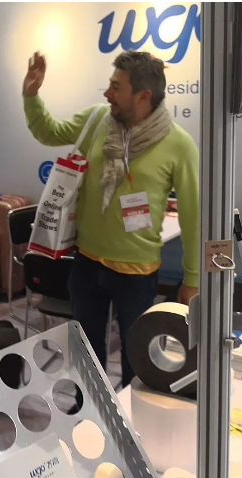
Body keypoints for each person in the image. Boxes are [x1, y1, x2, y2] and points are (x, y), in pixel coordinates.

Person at [22, 50, 199, 388]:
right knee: (85, 354)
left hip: (137, 273)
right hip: (86, 263)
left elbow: (192, 216)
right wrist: (31, 96)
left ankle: (132, 415)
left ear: (143, 95)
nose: (107, 93)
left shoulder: (179, 145)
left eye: (116, 87)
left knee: (137, 358)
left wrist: (192, 278)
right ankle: (87, 408)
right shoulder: (96, 121)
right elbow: (48, 132)